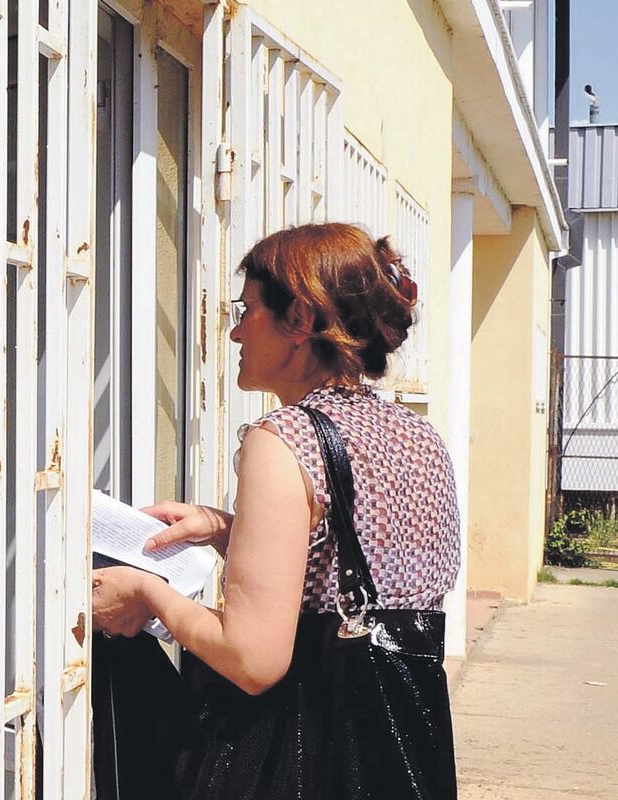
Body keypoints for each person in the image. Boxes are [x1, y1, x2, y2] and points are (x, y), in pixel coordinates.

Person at [91, 222, 460, 798]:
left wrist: (145, 593)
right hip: (402, 750)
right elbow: (367, 565)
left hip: (305, 754)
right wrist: (226, 530)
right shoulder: (416, 435)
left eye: (248, 309)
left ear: (300, 320)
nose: (235, 331)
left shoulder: (286, 438)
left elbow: (253, 659)